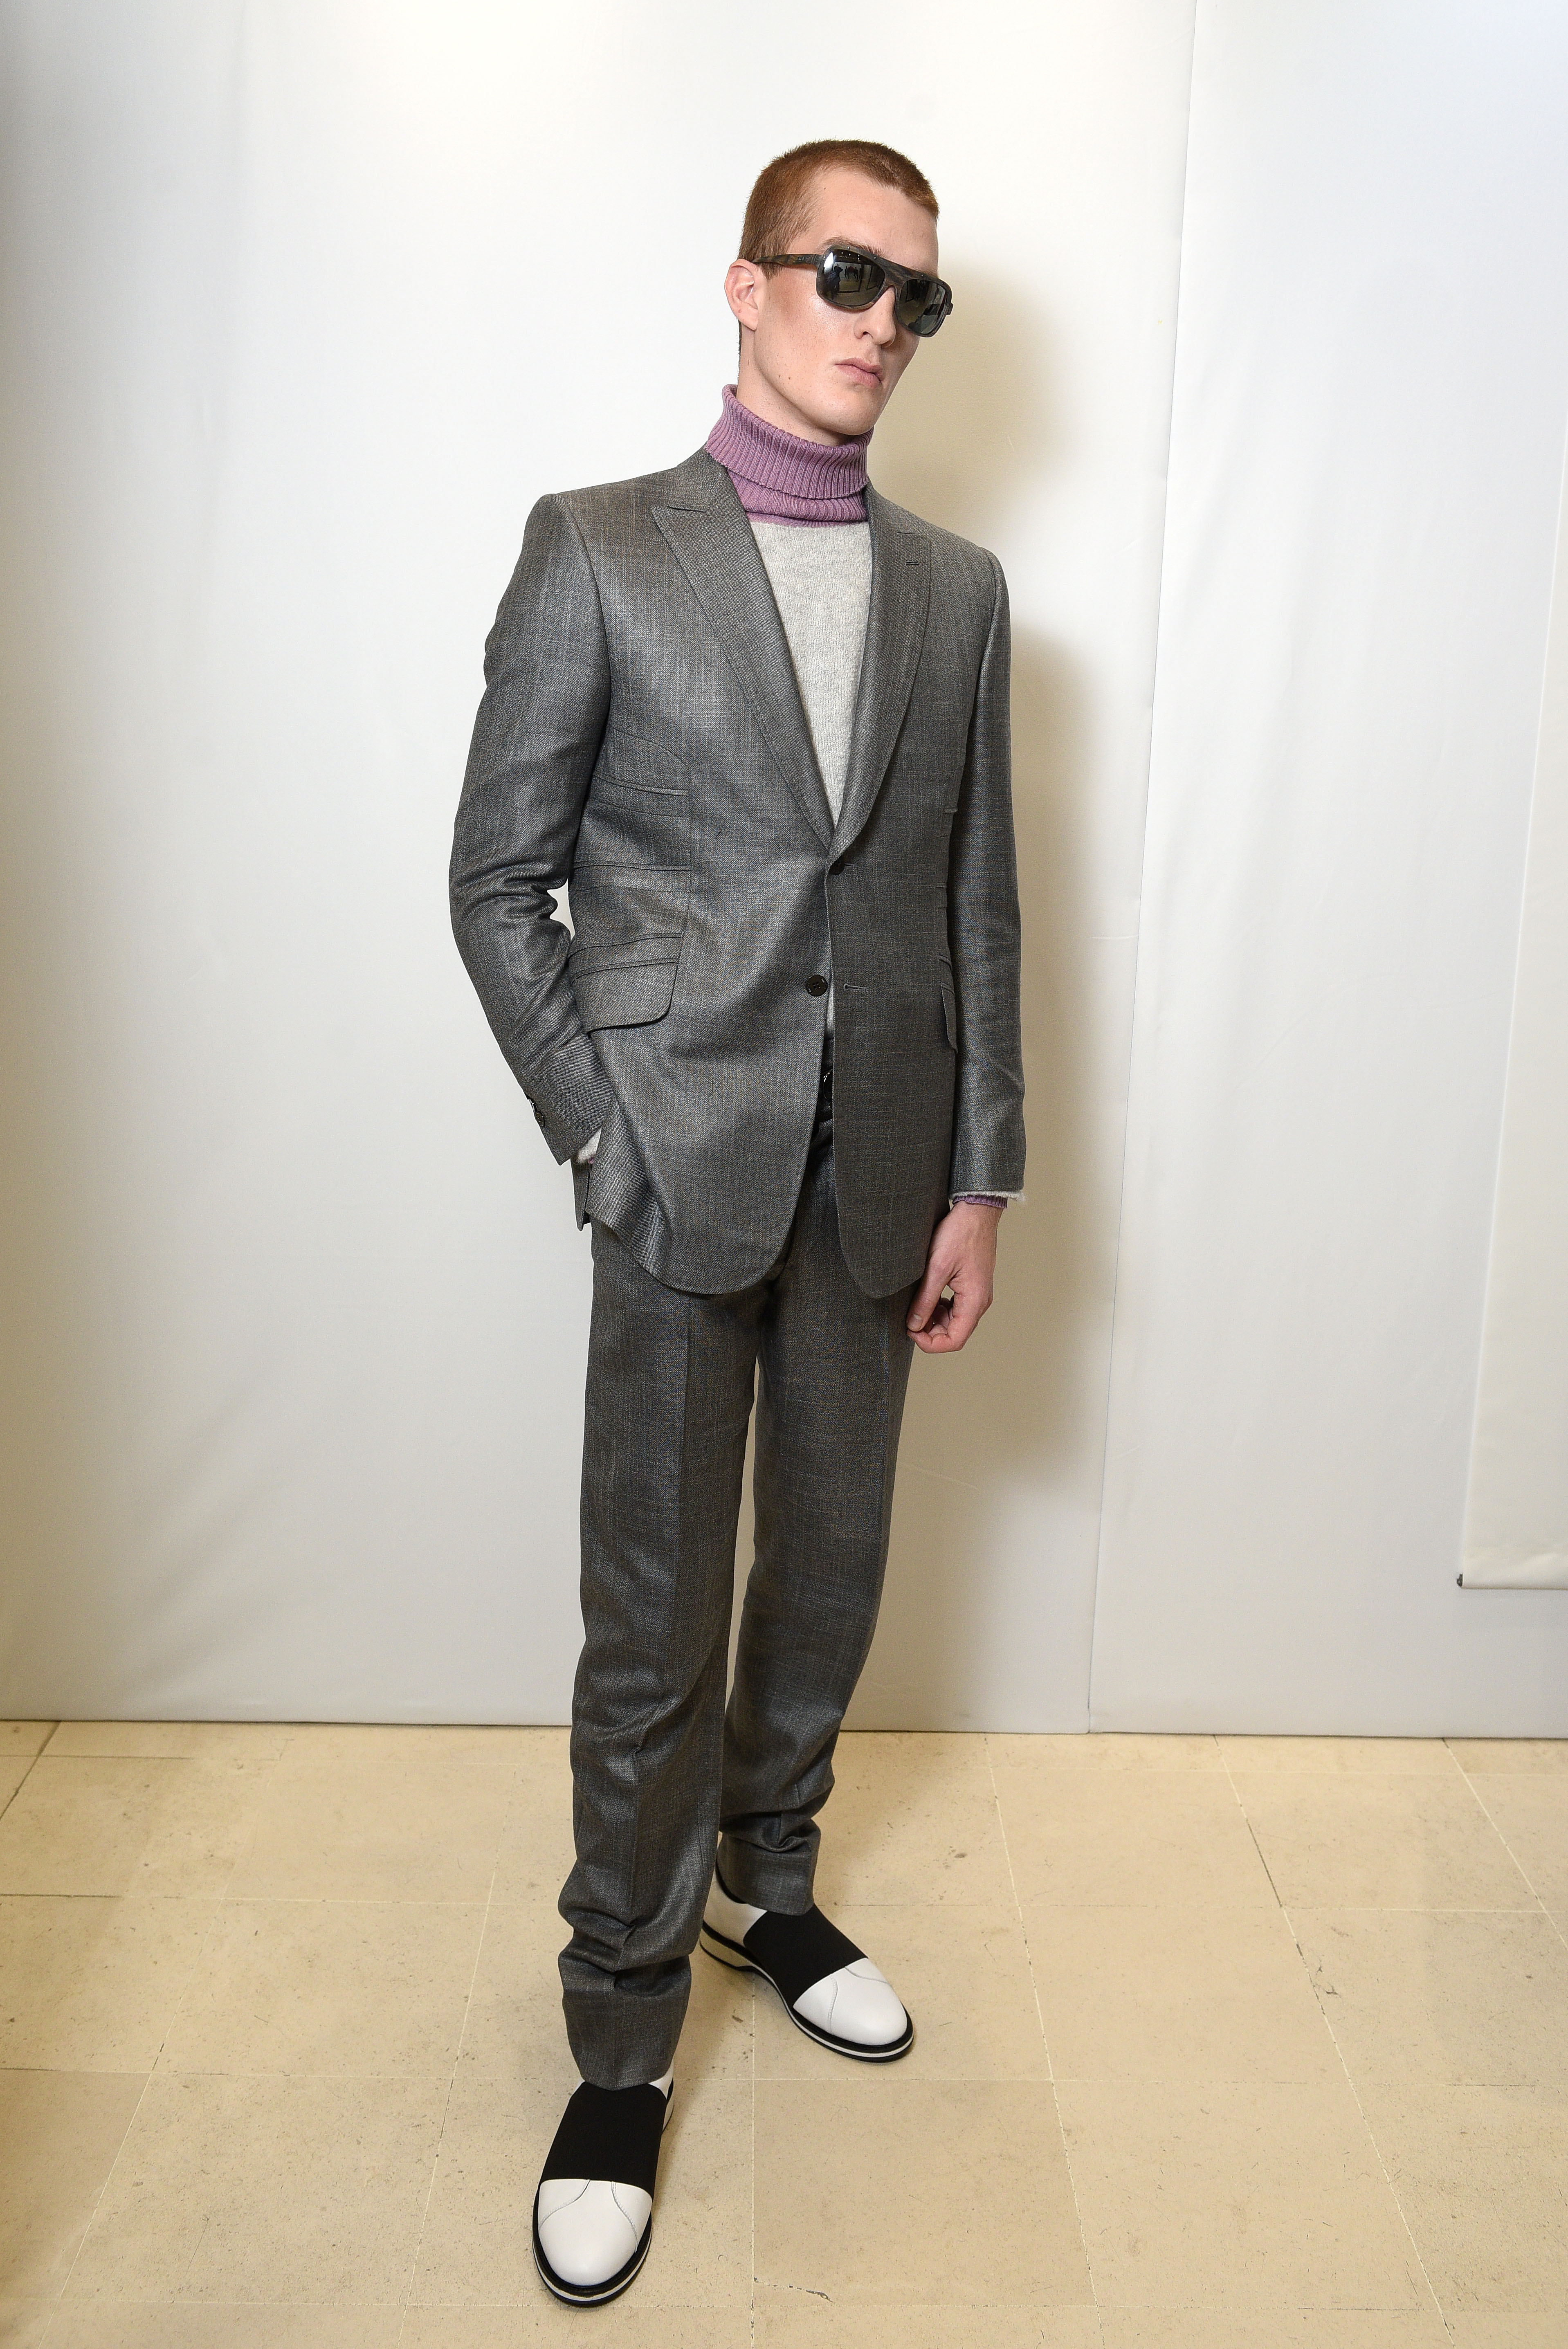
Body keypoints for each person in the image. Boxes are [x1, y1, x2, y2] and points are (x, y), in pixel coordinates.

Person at [449, 136, 1024, 2307]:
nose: (882, 320)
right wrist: (598, 1135)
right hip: (676, 1167)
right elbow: (497, 879)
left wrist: (983, 1169)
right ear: (750, 284)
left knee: (836, 1570)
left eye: (917, 294)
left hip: (885, 1172)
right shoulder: (599, 547)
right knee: (654, 1613)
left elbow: (975, 903)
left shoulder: (958, 593)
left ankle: (762, 1885)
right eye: (846, 274)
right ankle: (618, 2037)